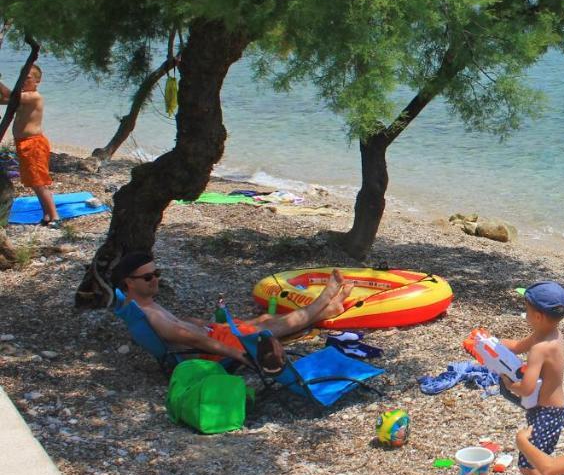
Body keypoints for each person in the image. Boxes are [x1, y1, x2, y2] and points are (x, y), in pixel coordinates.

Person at [113, 251, 352, 373]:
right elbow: (194, 339)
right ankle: (323, 300)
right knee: (272, 326)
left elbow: (184, 327)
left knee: (265, 318)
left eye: (157, 274)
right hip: (213, 350)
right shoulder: (152, 315)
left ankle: (329, 308)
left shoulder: (138, 305)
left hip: (212, 333)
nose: (155, 280)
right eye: (147, 277)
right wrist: (237, 354)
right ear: (129, 282)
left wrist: (206, 323)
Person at [498, 280, 564, 475]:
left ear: (537, 315)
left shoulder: (541, 348)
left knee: (529, 465)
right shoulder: (549, 334)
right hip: (552, 408)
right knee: (540, 458)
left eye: (525, 309)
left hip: (548, 414)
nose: (524, 315)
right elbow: (518, 346)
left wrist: (509, 383)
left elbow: (527, 387)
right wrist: (493, 344)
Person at [0, 65, 59, 226]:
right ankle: (47, 215)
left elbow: (9, 95)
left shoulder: (34, 96)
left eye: (28, 78)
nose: (24, 80)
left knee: (39, 182)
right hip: (23, 144)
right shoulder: (23, 97)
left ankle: (54, 217)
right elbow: (4, 99)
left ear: (37, 81)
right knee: (34, 182)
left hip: (34, 144)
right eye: (22, 77)